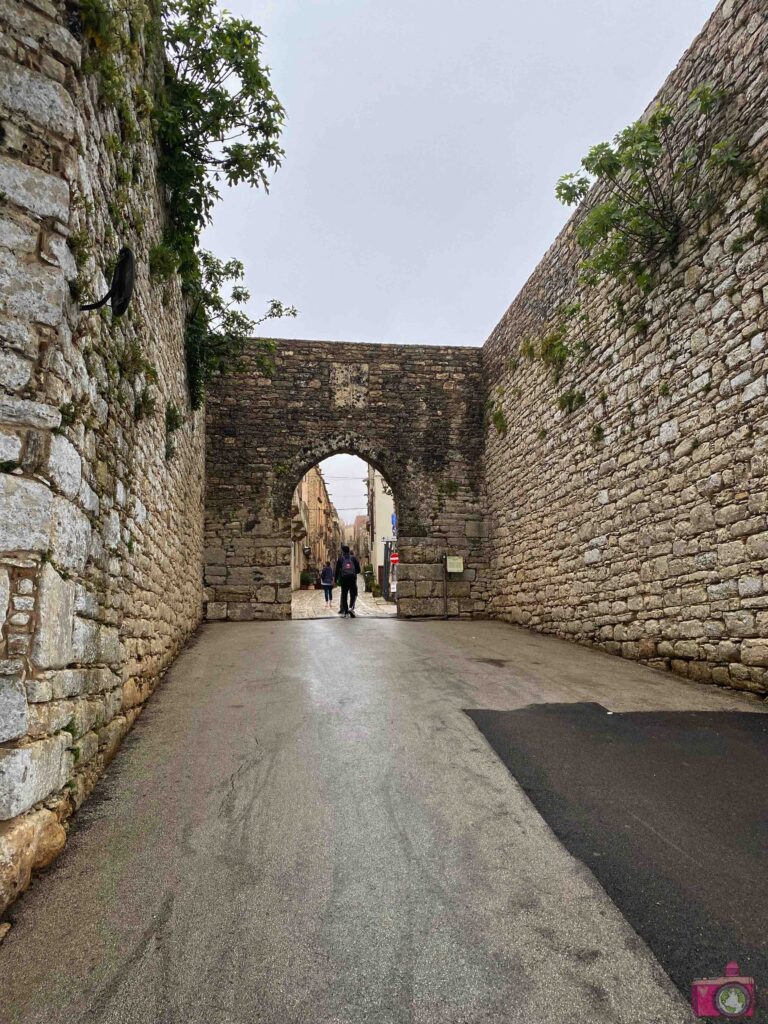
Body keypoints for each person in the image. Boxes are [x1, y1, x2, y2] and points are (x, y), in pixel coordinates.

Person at [336, 545, 360, 618]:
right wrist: (353, 573)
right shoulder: (353, 558)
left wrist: (335, 579)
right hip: (352, 579)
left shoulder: (340, 559)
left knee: (344, 595)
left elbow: (337, 571)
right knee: (354, 594)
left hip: (344, 579)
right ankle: (351, 608)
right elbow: (359, 570)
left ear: (343, 551)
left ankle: (346, 612)